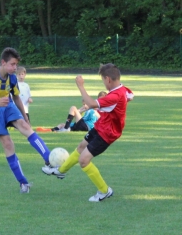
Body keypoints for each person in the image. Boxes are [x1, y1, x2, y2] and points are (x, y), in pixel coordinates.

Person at [42, 63, 134, 202]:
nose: (104, 84)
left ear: (108, 79)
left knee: (83, 161)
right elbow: (130, 94)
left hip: (107, 134)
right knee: (81, 146)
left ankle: (104, 191)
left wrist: (80, 85)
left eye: (103, 80)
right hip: (101, 125)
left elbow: (90, 104)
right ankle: (60, 171)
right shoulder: (123, 90)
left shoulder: (115, 96)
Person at [0, 47, 51, 194]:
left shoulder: (12, 78)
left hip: (8, 106)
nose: (15, 68)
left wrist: (25, 115)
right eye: (13, 64)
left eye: (16, 65)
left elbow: (16, 97)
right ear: (3, 62)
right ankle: (23, 182)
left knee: (24, 126)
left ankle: (48, 158)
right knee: (8, 143)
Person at [36, 91, 107, 133]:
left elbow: (101, 119)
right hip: (82, 124)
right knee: (62, 125)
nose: (101, 102)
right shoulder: (92, 108)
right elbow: (78, 114)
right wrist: (83, 109)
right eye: (100, 100)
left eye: (103, 100)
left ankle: (66, 129)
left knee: (73, 108)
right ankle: (49, 130)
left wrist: (92, 108)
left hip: (86, 126)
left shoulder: (103, 110)